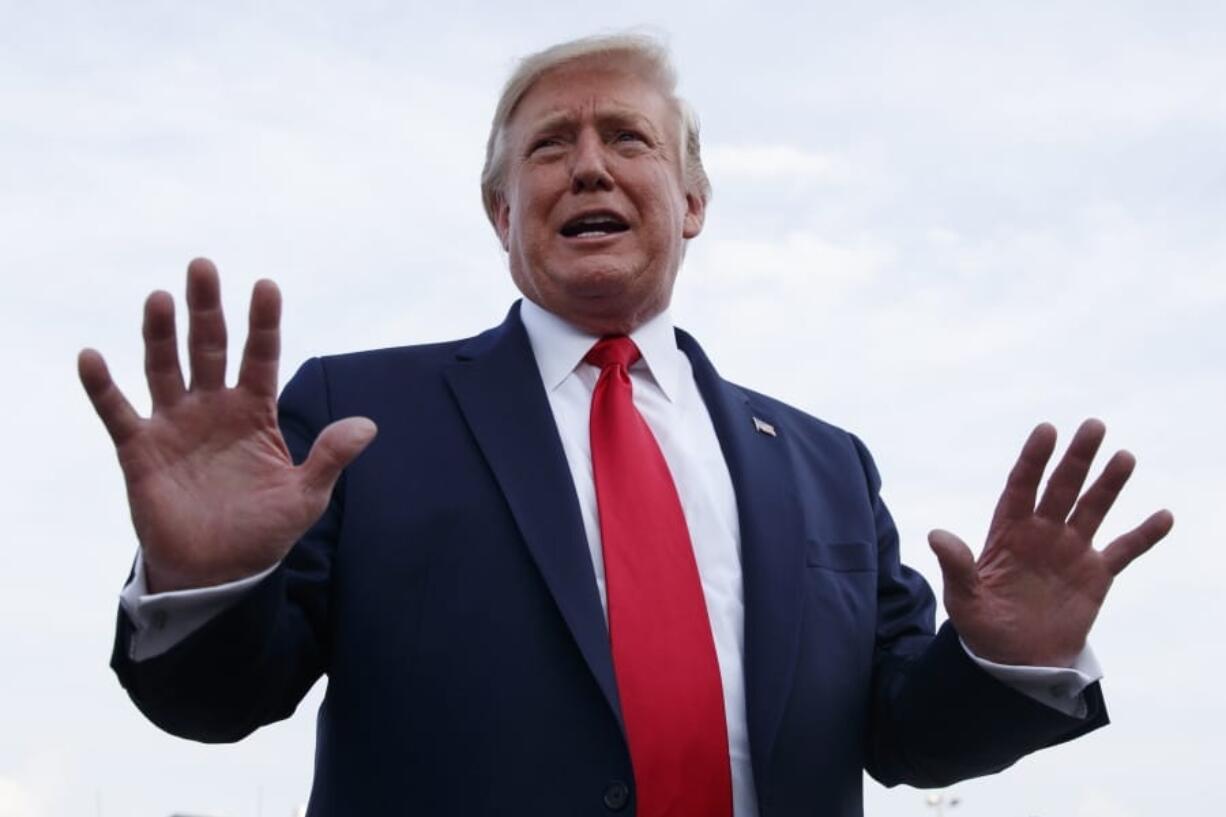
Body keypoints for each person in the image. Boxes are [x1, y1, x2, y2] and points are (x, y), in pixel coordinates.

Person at [79, 34, 1173, 817]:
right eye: (550, 144)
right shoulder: (355, 421)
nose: (590, 163)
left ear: (690, 202)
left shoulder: (826, 468)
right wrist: (201, 583)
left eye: (627, 140)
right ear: (500, 212)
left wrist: (1006, 661)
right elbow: (218, 705)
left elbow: (906, 735)